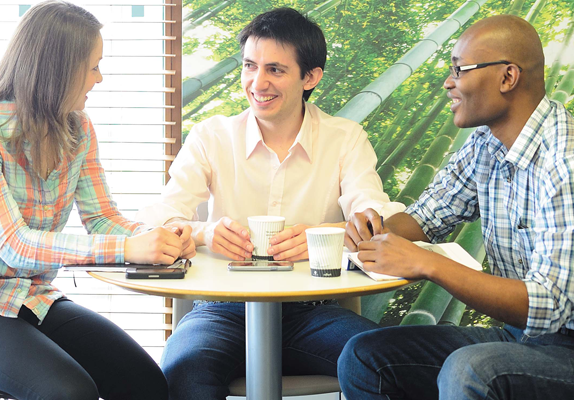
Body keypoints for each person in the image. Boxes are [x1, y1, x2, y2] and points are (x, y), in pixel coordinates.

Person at [338, 15, 574, 400]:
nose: (448, 82)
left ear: (508, 77)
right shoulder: (485, 145)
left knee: (470, 371)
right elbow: (427, 216)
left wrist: (427, 263)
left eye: (460, 69)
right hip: (523, 340)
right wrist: (373, 230)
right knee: (365, 355)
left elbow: (547, 305)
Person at [0, 2, 194, 399]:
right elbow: (16, 245)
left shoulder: (78, 129)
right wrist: (131, 247)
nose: (99, 78)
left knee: (144, 382)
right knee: (69, 392)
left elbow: (102, 219)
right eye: (94, 66)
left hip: (31, 300)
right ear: (59, 69)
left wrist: (158, 237)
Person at [135, 7, 403, 399]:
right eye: (249, 66)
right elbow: (157, 220)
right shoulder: (212, 135)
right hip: (222, 311)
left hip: (313, 313)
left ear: (310, 77)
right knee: (183, 372)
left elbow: (373, 216)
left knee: (393, 360)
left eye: (275, 70)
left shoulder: (345, 138)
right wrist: (205, 232)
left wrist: (321, 236)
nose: (257, 82)